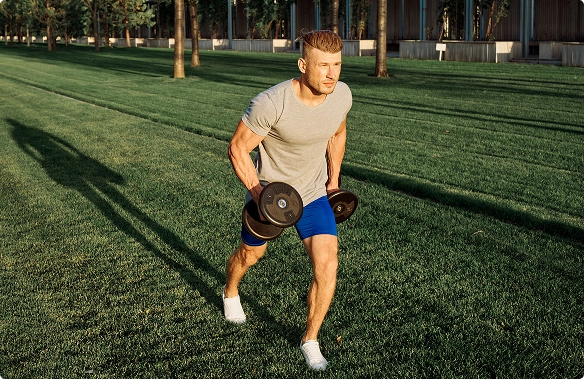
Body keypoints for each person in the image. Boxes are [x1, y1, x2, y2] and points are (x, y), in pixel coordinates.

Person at [223, 30, 352, 371]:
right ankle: (231, 291)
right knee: (251, 255)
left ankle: (310, 338)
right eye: (323, 65)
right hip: (274, 196)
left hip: (311, 194)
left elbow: (337, 134)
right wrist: (259, 194)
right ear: (302, 64)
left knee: (327, 263)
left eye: (337, 64)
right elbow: (238, 148)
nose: (331, 74)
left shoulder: (341, 96)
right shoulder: (272, 102)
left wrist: (333, 180)